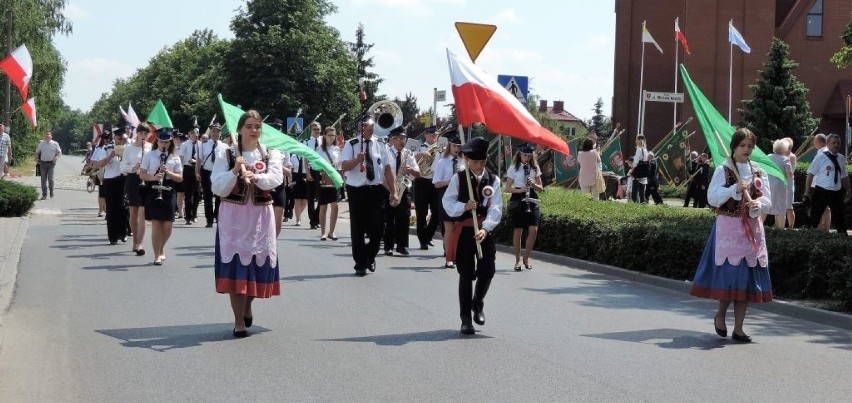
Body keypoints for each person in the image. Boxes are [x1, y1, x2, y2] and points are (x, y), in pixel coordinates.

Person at [690, 128, 772, 343]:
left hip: (751, 230)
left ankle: (739, 328)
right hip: (728, 229)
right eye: (742, 145)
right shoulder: (723, 169)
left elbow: (768, 201)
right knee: (730, 278)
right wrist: (733, 189)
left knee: (744, 279)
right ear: (734, 147)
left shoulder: (758, 171)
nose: (746, 150)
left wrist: (758, 203)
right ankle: (720, 315)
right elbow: (712, 198)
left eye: (749, 146)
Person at [211, 110, 283, 338]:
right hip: (233, 217)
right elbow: (217, 186)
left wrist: (258, 178)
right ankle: (238, 321)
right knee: (236, 267)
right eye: (249, 126)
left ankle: (248, 305)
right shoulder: (227, 152)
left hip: (260, 216)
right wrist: (234, 171)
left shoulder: (270, 153)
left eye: (257, 126)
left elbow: (276, 179)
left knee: (256, 265)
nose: (254, 130)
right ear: (240, 129)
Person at [442, 136, 502, 335]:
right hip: (465, 231)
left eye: (481, 163)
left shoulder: (493, 180)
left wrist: (486, 227)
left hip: (484, 231)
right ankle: (465, 319)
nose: (478, 166)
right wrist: (464, 206)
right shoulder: (458, 178)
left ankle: (478, 302)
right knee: (466, 275)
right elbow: (447, 203)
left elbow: (496, 207)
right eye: (474, 162)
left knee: (487, 271)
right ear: (467, 161)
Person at [339, 114, 397, 276]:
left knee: (378, 229)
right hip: (356, 190)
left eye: (372, 126)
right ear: (361, 127)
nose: (370, 129)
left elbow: (387, 170)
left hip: (376, 190)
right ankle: (360, 263)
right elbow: (344, 166)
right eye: (366, 126)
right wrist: (357, 161)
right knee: (357, 229)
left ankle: (370, 256)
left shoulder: (381, 144)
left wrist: (394, 192)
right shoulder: (351, 144)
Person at [504, 144, 542, 271]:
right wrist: (520, 190)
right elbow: (507, 188)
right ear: (520, 155)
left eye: (529, 156)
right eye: (525, 155)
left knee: (533, 230)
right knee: (518, 230)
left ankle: (526, 257)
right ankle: (517, 260)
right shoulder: (514, 168)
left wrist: (534, 184)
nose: (527, 157)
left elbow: (541, 188)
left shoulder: (534, 168)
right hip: (518, 197)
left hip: (531, 197)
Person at [383, 126, 420, 255]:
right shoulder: (386, 152)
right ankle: (388, 246)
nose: (401, 141)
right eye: (398, 138)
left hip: (404, 189)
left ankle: (402, 246)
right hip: (387, 188)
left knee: (404, 218)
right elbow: (382, 174)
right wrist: (392, 191)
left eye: (403, 138)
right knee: (389, 219)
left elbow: (418, 172)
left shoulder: (408, 153)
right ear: (392, 140)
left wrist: (410, 170)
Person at [804, 133, 850, 235]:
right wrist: (807, 191)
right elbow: (810, 174)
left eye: (838, 143)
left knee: (840, 219)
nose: (836, 145)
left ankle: (843, 238)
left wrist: (849, 190)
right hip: (822, 191)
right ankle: (808, 238)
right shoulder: (820, 157)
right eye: (833, 143)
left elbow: (844, 176)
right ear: (828, 143)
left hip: (836, 192)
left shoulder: (841, 158)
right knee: (814, 218)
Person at [432, 130, 464, 268]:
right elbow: (436, 183)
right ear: (449, 146)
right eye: (454, 146)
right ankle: (448, 257)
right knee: (449, 228)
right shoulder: (442, 162)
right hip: (446, 195)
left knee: (459, 228)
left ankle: (457, 254)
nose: (456, 149)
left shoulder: (464, 162)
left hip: (460, 196)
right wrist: (451, 179)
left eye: (459, 146)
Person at [91, 128, 128, 245]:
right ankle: (113, 236)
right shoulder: (107, 148)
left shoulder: (128, 148)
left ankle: (123, 232)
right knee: (111, 208)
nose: (121, 141)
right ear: (114, 138)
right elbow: (99, 164)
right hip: (110, 179)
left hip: (123, 179)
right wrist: (111, 156)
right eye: (119, 138)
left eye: (124, 139)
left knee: (123, 207)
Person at [121, 125, 151, 255]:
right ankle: (135, 241)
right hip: (133, 179)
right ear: (137, 133)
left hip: (146, 179)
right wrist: (134, 167)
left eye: (146, 133)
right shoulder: (129, 148)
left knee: (142, 212)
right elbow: (123, 168)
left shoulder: (150, 147)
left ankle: (140, 243)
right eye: (141, 133)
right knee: (133, 210)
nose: (143, 135)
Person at [413, 126, 440, 250]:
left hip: (435, 182)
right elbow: (407, 159)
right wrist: (420, 154)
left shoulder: (441, 148)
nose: (433, 137)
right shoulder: (417, 146)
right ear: (425, 135)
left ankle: (428, 235)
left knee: (437, 212)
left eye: (435, 135)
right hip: (421, 181)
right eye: (431, 135)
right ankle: (423, 241)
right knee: (421, 213)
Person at [267, 119, 292, 237]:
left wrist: (276, 165)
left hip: (279, 185)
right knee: (264, 220)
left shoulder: (284, 149)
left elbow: (288, 172)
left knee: (278, 218)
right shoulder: (262, 147)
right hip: (264, 186)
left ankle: (273, 243)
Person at [198, 123, 225, 228]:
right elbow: (199, 160)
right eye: (213, 131)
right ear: (210, 132)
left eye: (217, 131)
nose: (215, 133)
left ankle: (218, 216)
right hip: (206, 172)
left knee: (219, 196)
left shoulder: (224, 146)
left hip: (219, 173)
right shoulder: (203, 145)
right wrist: (197, 172)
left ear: (220, 133)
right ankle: (209, 219)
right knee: (208, 196)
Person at [317, 126, 342, 241]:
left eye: (333, 135)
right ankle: (323, 232)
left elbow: (341, 164)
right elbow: (314, 164)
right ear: (324, 136)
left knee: (335, 205)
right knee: (323, 206)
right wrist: (322, 169)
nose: (331, 137)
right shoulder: (319, 149)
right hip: (323, 177)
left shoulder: (338, 149)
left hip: (334, 178)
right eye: (329, 135)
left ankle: (332, 232)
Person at [765, 139, 793, 228]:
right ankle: (780, 229)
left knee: (766, 205)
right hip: (780, 185)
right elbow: (789, 174)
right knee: (781, 207)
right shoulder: (785, 159)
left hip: (768, 183)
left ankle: (758, 226)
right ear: (784, 149)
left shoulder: (768, 156)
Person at [179, 126, 202, 225]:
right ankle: (188, 216)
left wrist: (195, 161)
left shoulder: (201, 145)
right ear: (189, 133)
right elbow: (181, 157)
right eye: (192, 132)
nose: (194, 134)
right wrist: (180, 169)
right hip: (187, 169)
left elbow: (202, 158)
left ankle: (194, 214)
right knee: (188, 194)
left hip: (197, 169)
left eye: (196, 132)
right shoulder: (185, 144)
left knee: (197, 193)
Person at [810, 134, 832, 230]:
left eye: (815, 140)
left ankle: (822, 227)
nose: (814, 142)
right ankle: (823, 226)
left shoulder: (822, 153)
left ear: (819, 142)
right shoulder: (827, 152)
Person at [304, 121, 323, 230]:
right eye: (315, 129)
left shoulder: (323, 141)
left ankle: (317, 218)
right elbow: (305, 158)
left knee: (321, 196)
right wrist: (307, 172)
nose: (317, 131)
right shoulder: (307, 142)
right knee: (310, 197)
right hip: (311, 169)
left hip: (321, 170)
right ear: (311, 130)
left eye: (319, 129)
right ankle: (312, 221)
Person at [35, 131, 62, 199]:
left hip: (51, 164)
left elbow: (59, 153)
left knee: (50, 178)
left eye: (49, 135)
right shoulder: (42, 143)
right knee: (43, 179)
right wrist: (36, 159)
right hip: (43, 163)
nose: (47, 136)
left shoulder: (55, 143)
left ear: (51, 136)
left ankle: (51, 190)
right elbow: (37, 152)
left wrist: (56, 158)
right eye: (46, 135)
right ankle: (44, 194)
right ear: (45, 136)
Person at [290, 148, 310, 226]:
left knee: (305, 200)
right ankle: (298, 219)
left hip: (305, 176)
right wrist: (291, 181)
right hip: (296, 177)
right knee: (297, 200)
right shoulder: (294, 156)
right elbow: (291, 169)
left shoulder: (307, 156)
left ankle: (299, 214)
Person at [627, 134, 649, 203]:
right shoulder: (645, 150)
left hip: (637, 174)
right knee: (642, 193)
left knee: (634, 194)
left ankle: (635, 207)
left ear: (639, 140)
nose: (635, 141)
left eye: (636, 139)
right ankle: (642, 206)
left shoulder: (639, 149)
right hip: (643, 174)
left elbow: (636, 162)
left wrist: (632, 170)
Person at [782, 137, 797, 228]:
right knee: (781, 206)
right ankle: (780, 226)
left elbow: (789, 173)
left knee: (789, 207)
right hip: (782, 184)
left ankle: (791, 227)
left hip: (788, 184)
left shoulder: (791, 157)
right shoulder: (782, 156)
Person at [173, 133, 186, 219]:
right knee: (179, 193)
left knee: (185, 194)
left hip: (186, 171)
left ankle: (184, 210)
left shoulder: (185, 147)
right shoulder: (173, 149)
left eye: (180, 139)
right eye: (176, 139)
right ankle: (180, 212)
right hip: (176, 172)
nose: (178, 141)